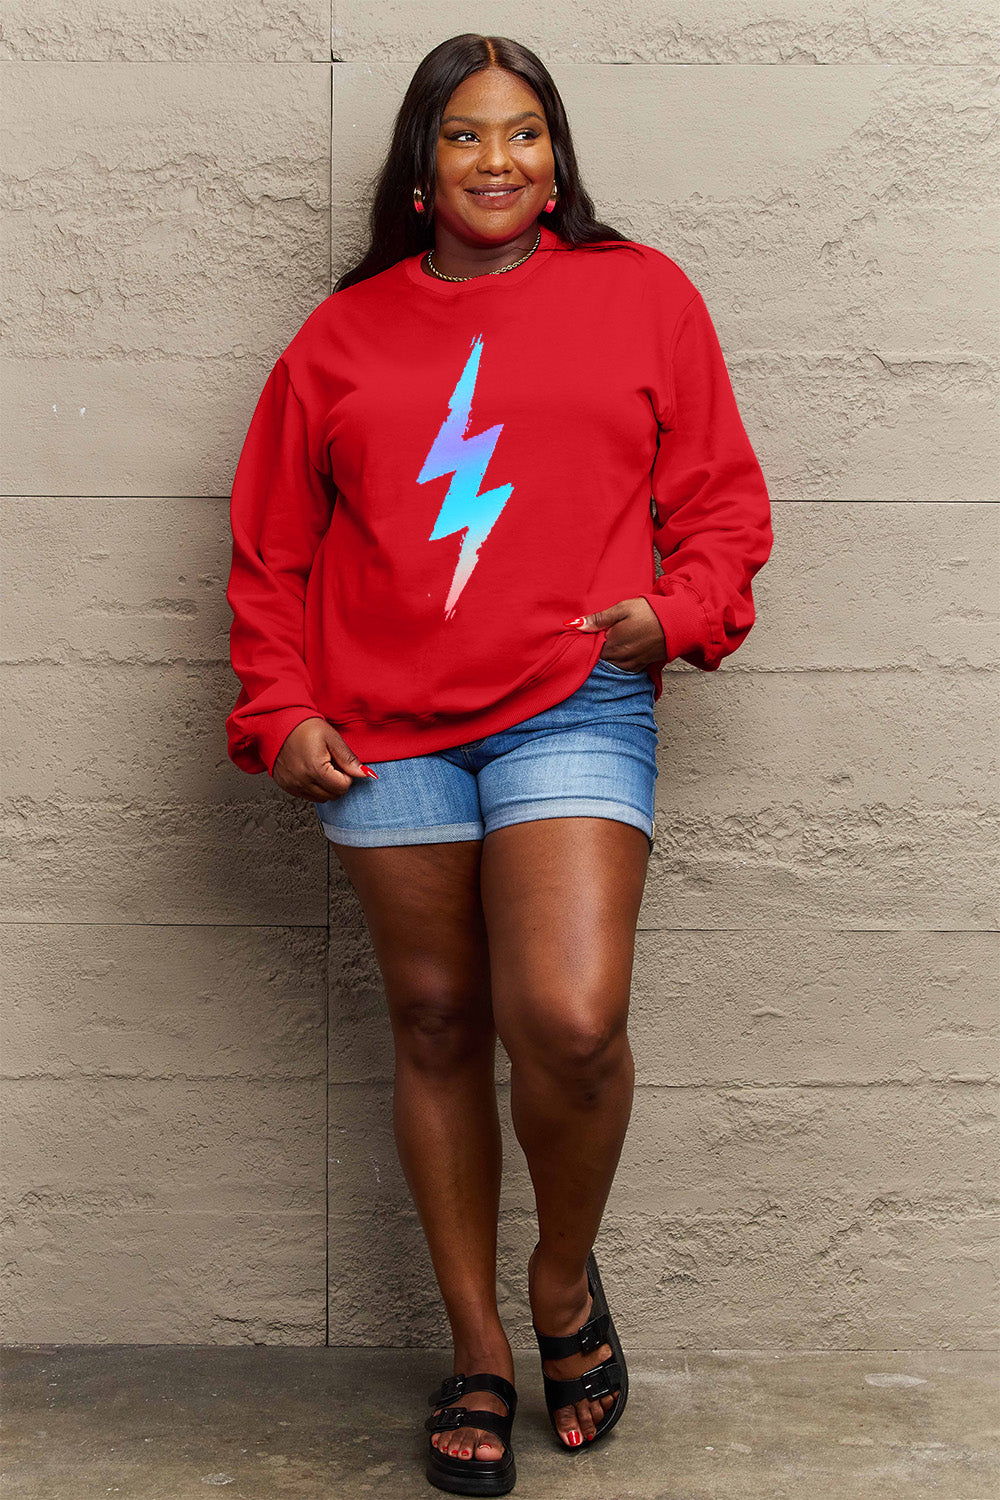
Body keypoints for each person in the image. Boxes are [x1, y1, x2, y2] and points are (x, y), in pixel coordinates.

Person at [224, 32, 772, 1498]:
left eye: (524, 132)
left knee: (571, 1021)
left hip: (570, 701)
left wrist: (679, 612)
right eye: (464, 135)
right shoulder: (339, 340)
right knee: (438, 1019)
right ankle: (475, 1346)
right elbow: (271, 550)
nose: (497, 160)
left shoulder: (641, 294)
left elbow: (722, 501)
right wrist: (281, 708)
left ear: (557, 155)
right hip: (382, 728)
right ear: (421, 165)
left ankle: (561, 1283)